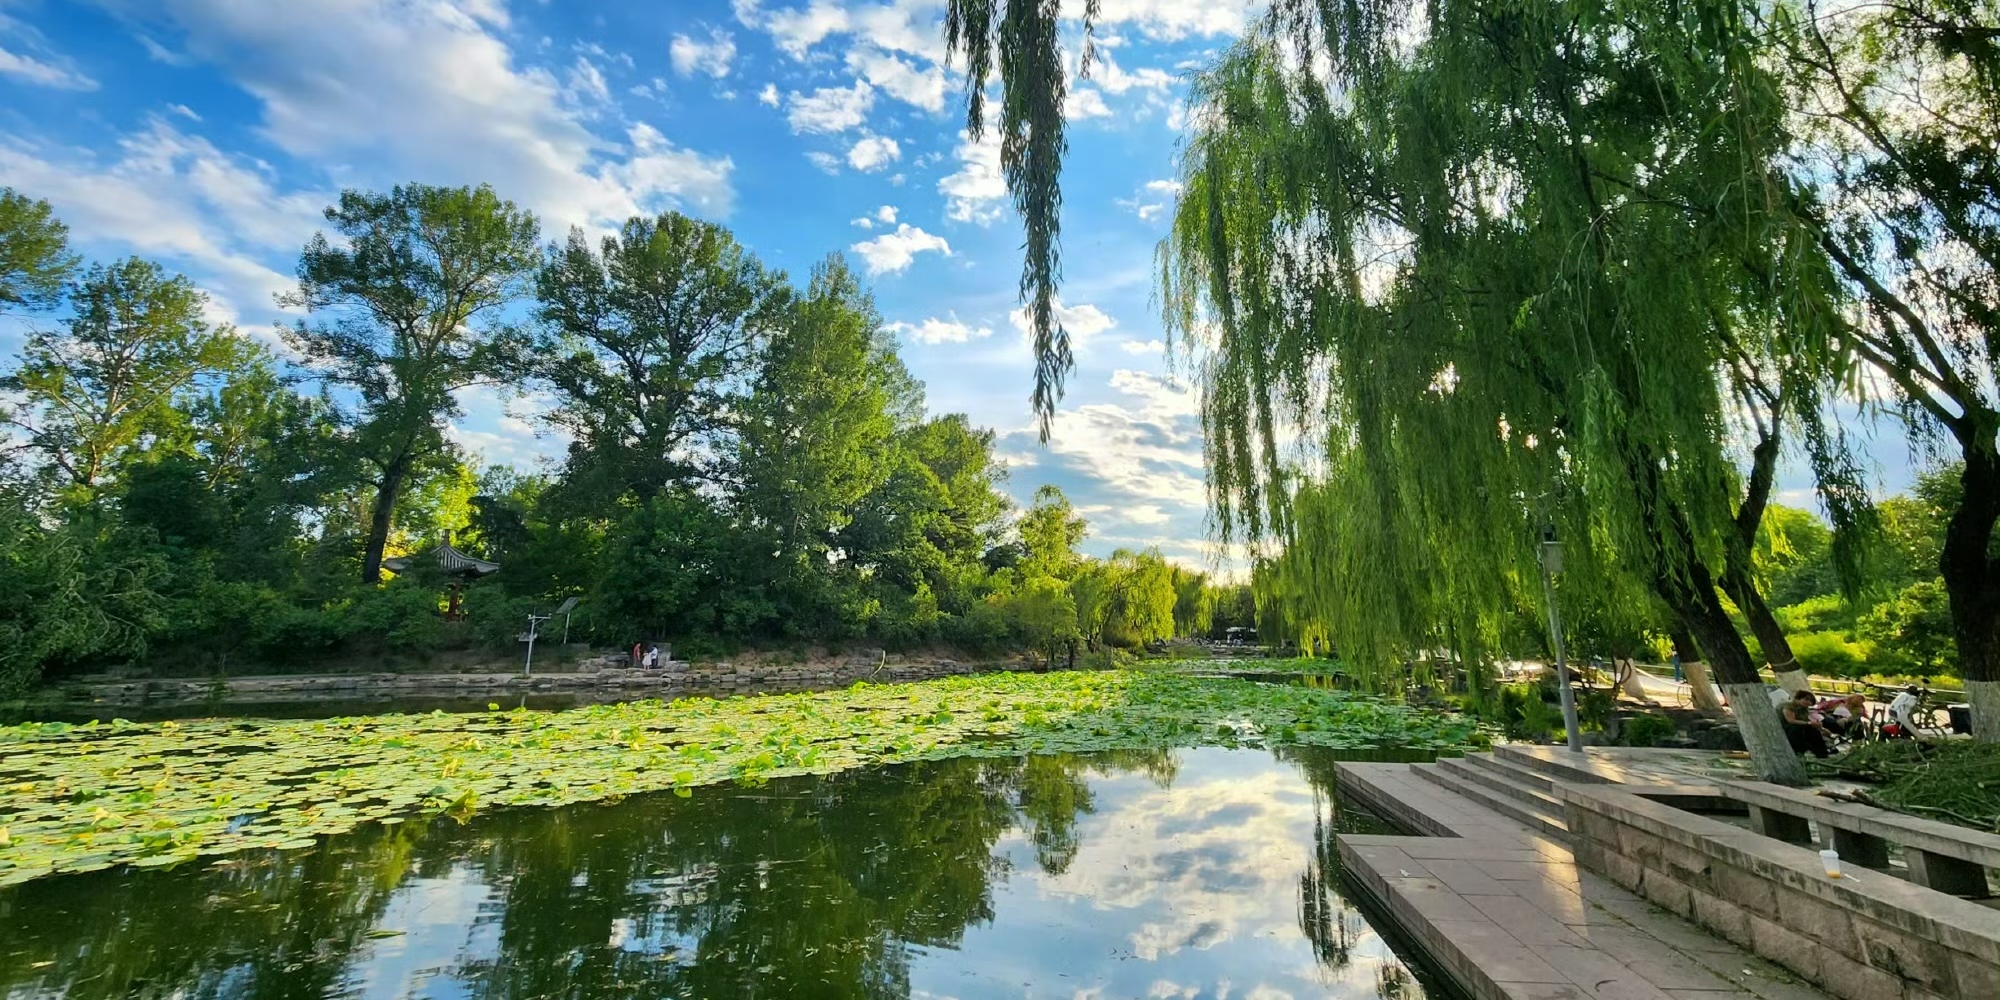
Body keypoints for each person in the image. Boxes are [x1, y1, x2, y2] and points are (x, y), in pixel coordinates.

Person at [1780, 689, 1831, 758]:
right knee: (1799, 728)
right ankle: (1800, 752)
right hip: (1789, 729)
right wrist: (1809, 723)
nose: (1808, 702)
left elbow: (1806, 720)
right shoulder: (1789, 706)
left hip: (1800, 728)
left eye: (1810, 701)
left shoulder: (1804, 709)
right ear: (1799, 698)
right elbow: (1791, 721)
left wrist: (1822, 729)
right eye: (1806, 699)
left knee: (1814, 730)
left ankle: (1822, 753)